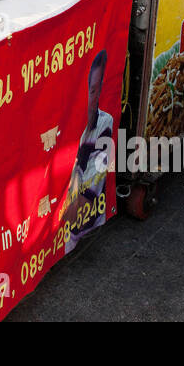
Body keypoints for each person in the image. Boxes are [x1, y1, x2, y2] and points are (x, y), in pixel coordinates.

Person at [57, 50, 115, 253]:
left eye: (97, 89)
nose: (95, 97)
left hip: (69, 237)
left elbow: (76, 210)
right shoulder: (62, 124)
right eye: (91, 91)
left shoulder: (104, 124)